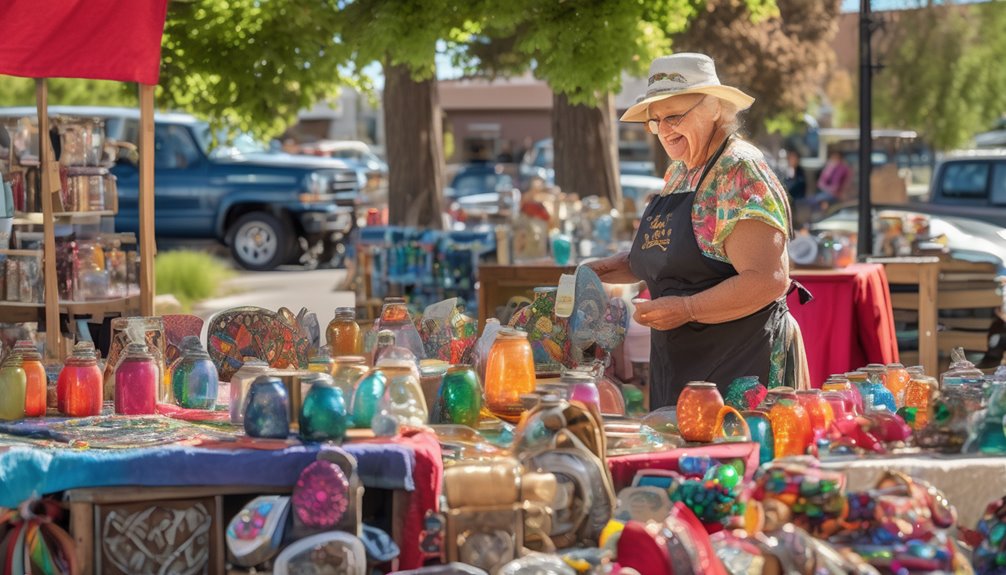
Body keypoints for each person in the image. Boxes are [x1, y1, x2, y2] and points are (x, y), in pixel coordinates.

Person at [586, 53, 809, 408]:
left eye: (674, 116)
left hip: (742, 365)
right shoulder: (681, 172)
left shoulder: (739, 171)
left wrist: (687, 308)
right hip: (681, 362)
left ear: (716, 108)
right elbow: (678, 255)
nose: (665, 130)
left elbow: (768, 279)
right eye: (655, 121)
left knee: (735, 461)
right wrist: (616, 266)